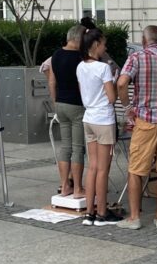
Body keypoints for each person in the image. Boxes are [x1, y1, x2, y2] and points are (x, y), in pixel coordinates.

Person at [115, 25, 157, 230]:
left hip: (145, 121)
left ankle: (135, 218)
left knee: (136, 170)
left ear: (145, 40)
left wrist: (128, 109)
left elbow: (122, 83)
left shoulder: (137, 57)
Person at [77, 27, 123, 226]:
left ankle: (90, 212)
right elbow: (112, 98)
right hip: (104, 119)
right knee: (104, 169)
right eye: (104, 44)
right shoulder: (103, 68)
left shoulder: (80, 66)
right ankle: (102, 212)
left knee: (93, 167)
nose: (105, 47)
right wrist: (112, 80)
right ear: (96, 44)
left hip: (88, 117)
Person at [50, 25, 87, 198]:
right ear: (79, 39)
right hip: (77, 105)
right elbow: (83, 85)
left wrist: (55, 102)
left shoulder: (56, 54)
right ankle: (78, 188)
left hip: (61, 103)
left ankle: (64, 186)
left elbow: (52, 82)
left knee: (65, 147)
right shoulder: (80, 57)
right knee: (78, 148)